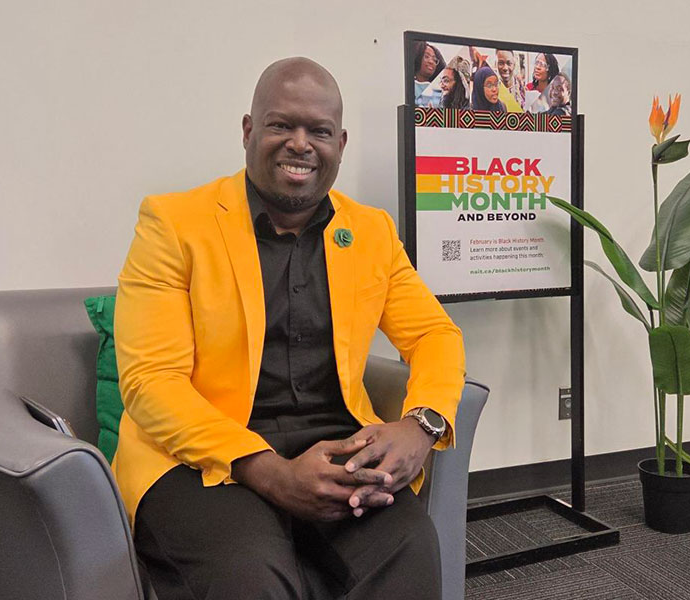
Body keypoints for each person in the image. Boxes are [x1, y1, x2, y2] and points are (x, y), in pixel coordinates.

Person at [113, 57, 465, 600]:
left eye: (318, 131)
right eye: (281, 125)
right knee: (251, 573)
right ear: (249, 130)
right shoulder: (174, 224)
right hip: (201, 458)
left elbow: (434, 335)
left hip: (336, 447)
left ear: (340, 143)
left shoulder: (370, 232)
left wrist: (421, 424)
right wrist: (269, 471)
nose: (300, 144)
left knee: (409, 547)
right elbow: (151, 382)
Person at [412, 41, 445, 107]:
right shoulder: (410, 86)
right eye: (426, 56)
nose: (431, 62)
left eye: (434, 60)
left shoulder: (440, 91)